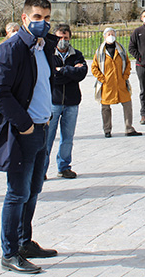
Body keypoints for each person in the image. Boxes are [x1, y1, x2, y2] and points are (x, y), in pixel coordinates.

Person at [0, 0, 58, 274]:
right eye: (37, 18)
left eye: (47, 18)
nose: (42, 23)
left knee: (34, 190)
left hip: (43, 128)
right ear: (24, 18)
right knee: (17, 193)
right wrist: (25, 125)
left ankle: (25, 242)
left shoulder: (44, 47)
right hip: (24, 131)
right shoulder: (10, 50)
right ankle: (9, 253)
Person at [46, 24, 88, 179]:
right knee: (47, 138)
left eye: (65, 38)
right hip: (53, 102)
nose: (63, 41)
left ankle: (64, 167)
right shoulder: (49, 54)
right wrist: (70, 71)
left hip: (71, 102)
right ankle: (41, 169)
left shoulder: (77, 55)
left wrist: (62, 70)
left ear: (70, 38)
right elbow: (51, 76)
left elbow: (81, 73)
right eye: (60, 38)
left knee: (67, 138)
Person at [92, 28, 142, 138]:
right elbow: (94, 67)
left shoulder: (121, 50)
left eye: (113, 34)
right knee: (105, 108)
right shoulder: (100, 51)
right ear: (104, 36)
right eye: (109, 34)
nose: (111, 35)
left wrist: (125, 76)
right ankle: (107, 129)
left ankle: (129, 128)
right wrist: (102, 78)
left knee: (127, 105)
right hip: (107, 85)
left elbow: (128, 64)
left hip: (121, 83)